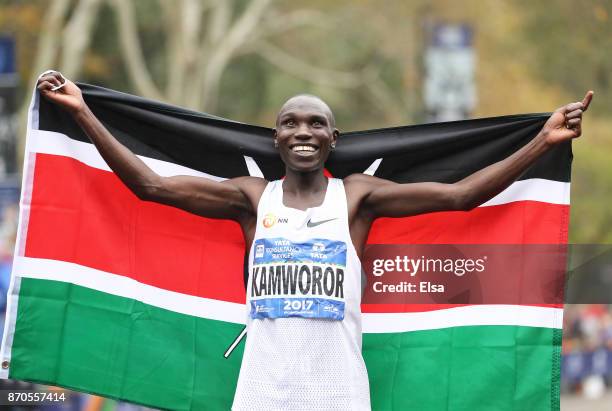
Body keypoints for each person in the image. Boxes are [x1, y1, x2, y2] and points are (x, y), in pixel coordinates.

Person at [36, 71, 592, 410]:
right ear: (275, 138)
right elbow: (150, 185)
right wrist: (83, 111)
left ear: (333, 138)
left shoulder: (356, 198)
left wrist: (542, 141)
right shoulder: (253, 199)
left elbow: (460, 196)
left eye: (316, 124)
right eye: (291, 123)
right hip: (261, 392)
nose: (304, 131)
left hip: (341, 392)